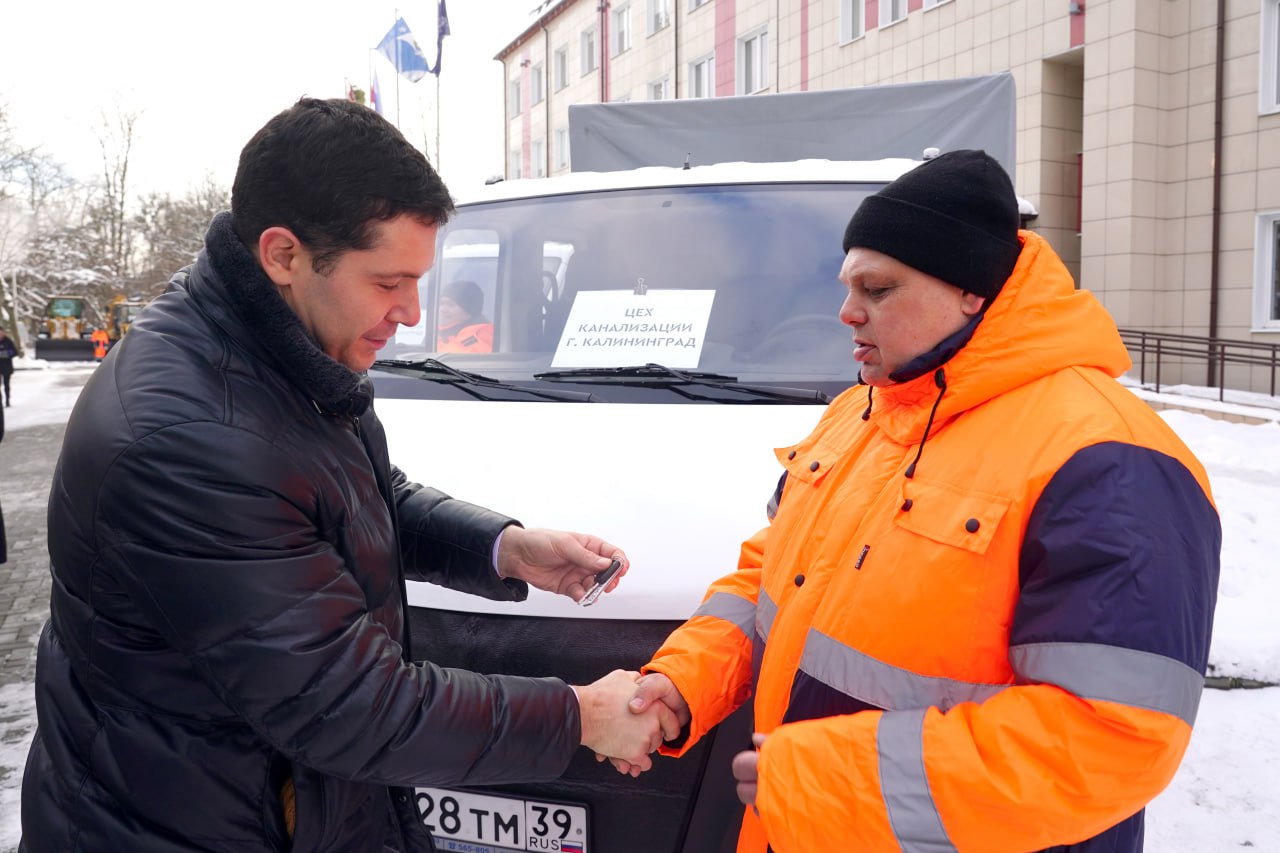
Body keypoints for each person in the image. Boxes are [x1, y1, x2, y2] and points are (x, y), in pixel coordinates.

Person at [20, 98, 677, 852]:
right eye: (389, 281)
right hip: (187, 826)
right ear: (284, 254)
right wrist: (581, 715)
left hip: (286, 800)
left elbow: (359, 495)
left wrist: (504, 547)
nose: (412, 312)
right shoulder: (188, 436)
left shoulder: (285, 348)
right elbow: (345, 704)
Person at [622, 150, 1221, 852]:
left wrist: (821, 779)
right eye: (847, 286)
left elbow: (1110, 738)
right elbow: (769, 580)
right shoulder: (861, 413)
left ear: (971, 291)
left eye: (878, 289)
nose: (847, 312)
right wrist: (684, 680)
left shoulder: (1109, 461)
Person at [435, 279, 494, 353]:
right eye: (441, 304)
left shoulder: (482, 332)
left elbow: (465, 358)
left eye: (451, 305)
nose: (443, 310)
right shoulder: (438, 332)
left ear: (469, 310)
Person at [0, 326, 20, 406]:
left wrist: (5, 354)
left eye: (1, 333)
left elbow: (15, 352)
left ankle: (7, 399)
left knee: (6, 384)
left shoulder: (8, 341)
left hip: (6, 366)